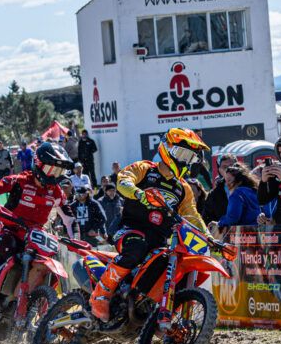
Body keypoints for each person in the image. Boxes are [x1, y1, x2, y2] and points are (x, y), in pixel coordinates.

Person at [90, 128, 233, 319]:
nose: (184, 161)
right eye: (182, 154)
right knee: (136, 248)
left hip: (158, 239)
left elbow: (192, 215)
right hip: (130, 228)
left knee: (168, 265)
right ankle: (101, 294)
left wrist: (209, 238)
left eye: (189, 157)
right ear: (167, 148)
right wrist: (138, 193)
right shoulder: (145, 169)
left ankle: (154, 313)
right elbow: (123, 181)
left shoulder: (183, 188)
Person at [0, 142, 73, 315]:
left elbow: (69, 216)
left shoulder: (56, 191)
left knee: (54, 258)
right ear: (39, 165)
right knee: (5, 246)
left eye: (59, 172)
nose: (55, 176)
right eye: (51, 170)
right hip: (12, 231)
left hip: (36, 237)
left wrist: (75, 236)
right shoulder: (21, 180)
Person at [215, 162, 265, 229]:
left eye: (229, 180)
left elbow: (232, 218)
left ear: (239, 181)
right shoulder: (255, 191)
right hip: (259, 232)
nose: (226, 184)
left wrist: (219, 223)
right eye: (225, 181)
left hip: (243, 234)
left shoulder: (237, 194)